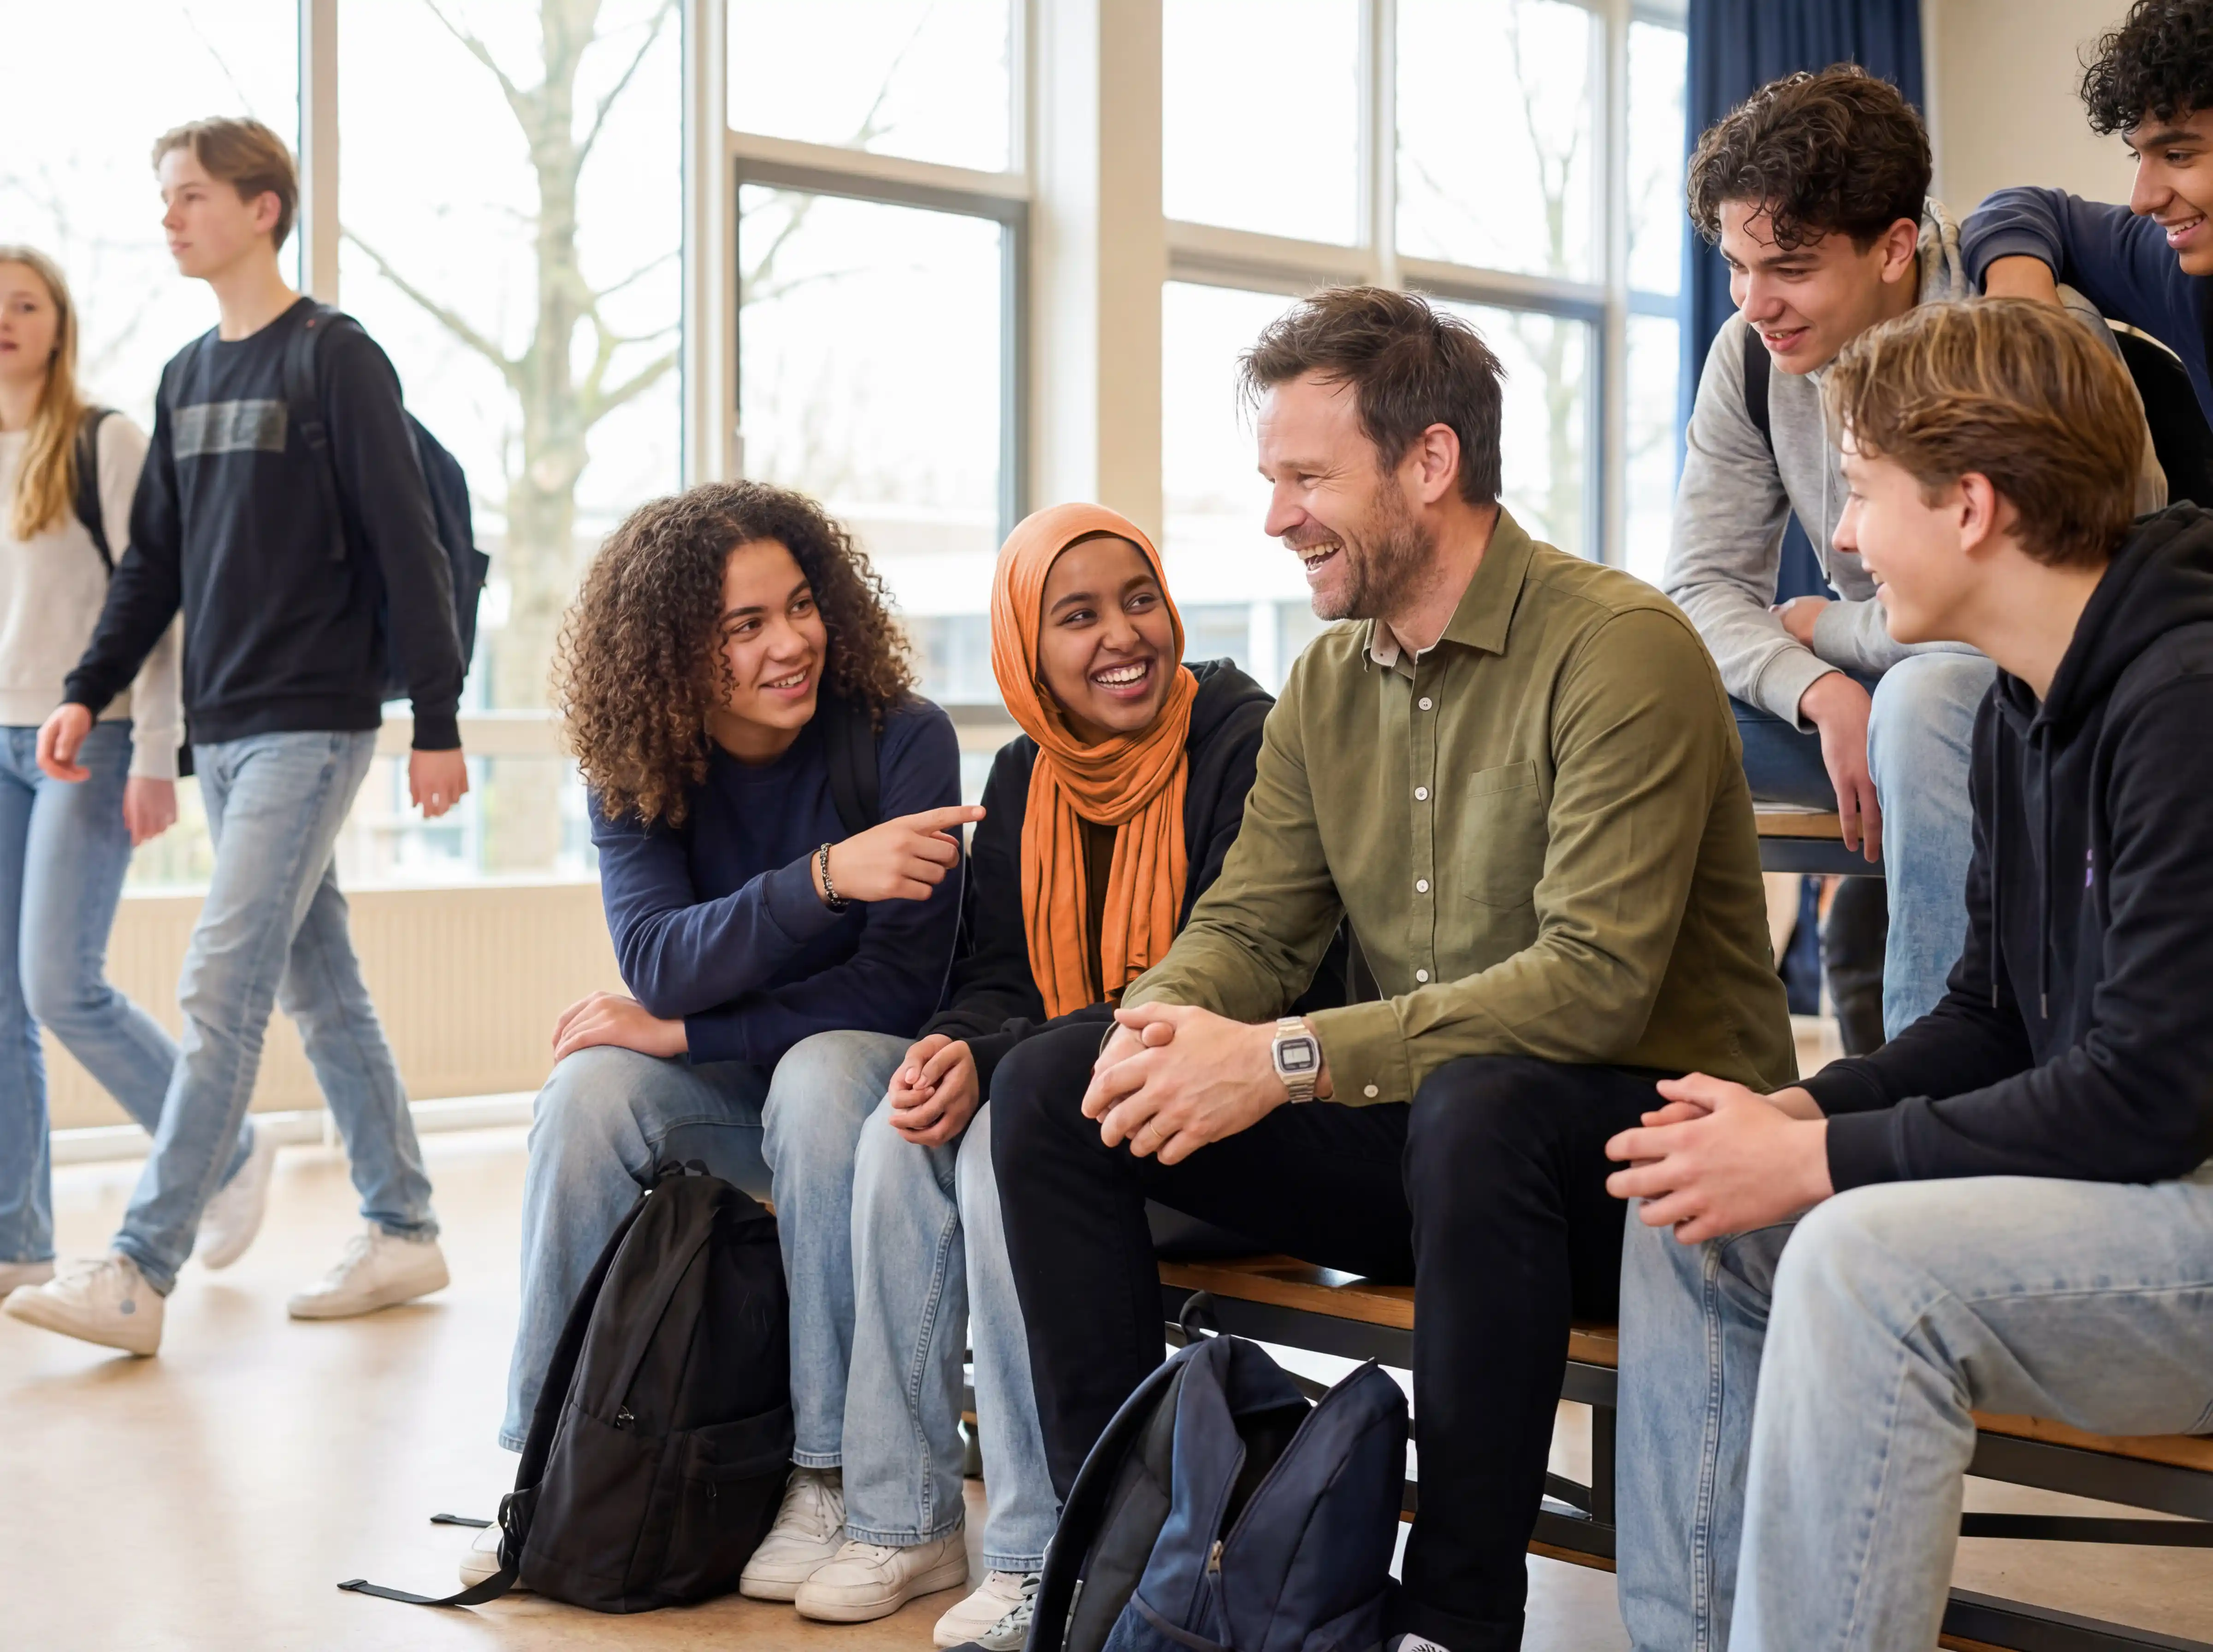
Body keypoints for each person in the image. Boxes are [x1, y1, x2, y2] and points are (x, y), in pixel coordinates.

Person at [992, 286, 1795, 1652]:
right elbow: (1251, 925)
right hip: (1434, 1156)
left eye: (1307, 478)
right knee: (1053, 1083)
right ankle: (1125, 1569)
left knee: (1481, 1106)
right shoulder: (1325, 685)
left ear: (1428, 464)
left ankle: (1453, 1622)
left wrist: (1286, 1057)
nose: (1276, 516)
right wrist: (1166, 1026)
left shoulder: (1620, 651)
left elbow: (1590, 986)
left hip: (1643, 1175)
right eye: (1271, 481)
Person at [1611, 299, 2213, 1652]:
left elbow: (2152, 1098)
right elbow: (1992, 1018)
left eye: (1865, 490)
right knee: (1691, 1202)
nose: (1838, 533)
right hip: (2142, 1200)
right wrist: (1790, 1123)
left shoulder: (2186, 694)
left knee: (1857, 1261)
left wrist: (1828, 1165)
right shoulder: (2017, 705)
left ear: (1971, 508)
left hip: (2190, 1207)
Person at [763, 504, 1299, 1648]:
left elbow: (1222, 975)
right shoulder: (1023, 774)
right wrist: (956, 1047)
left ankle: (1039, 1548)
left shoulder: (1241, 742)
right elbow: (997, 978)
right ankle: (899, 1519)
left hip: (1194, 1127)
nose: (1122, 636)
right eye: (1077, 616)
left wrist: (996, 1063)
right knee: (897, 1133)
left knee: (1010, 1155)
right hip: (1061, 1101)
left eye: (1138, 599)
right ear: (1027, 647)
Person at [2, 118, 467, 1355]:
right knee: (321, 984)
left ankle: (139, 1269)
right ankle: (406, 1222)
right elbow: (150, 567)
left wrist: (438, 718)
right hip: (232, 731)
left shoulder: (336, 360)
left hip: (319, 723)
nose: (170, 217)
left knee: (219, 983)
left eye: (192, 196)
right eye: (164, 198)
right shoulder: (186, 375)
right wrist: (87, 688)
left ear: (264, 209)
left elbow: (410, 550)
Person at [463, 480, 971, 1588]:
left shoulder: (901, 742)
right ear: (674, 651)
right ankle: (547, 1463)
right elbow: (654, 958)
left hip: (861, 1092)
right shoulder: (638, 762)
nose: (789, 644)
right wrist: (827, 881)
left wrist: (690, 1029)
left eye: (799, 606)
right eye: (745, 627)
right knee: (589, 1091)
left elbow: (894, 990)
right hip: (739, 1090)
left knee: (822, 1071)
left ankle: (824, 1476)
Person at [1667, 66, 2160, 1047]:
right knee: (1641, 704)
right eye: (1735, 265)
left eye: (1791, 269)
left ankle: (1927, 1102)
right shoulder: (1751, 353)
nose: (1754, 303)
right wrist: (1815, 686)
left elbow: (2086, 607)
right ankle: (1696, 1087)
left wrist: (1846, 637)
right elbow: (1702, 586)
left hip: (2014, 692)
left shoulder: (2025, 332)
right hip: (1862, 684)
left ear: (1897, 247)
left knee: (1928, 697)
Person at [0, 246, 241, 1295]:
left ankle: (220, 1150)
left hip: (84, 740)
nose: (5, 319)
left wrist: (154, 749)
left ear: (60, 324)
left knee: (60, 983)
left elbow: (161, 605)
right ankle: (19, 1245)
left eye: (25, 303)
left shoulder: (105, 441)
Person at [1967, 0, 2213, 431]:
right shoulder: (2185, 279)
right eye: (2138, 157)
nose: (2142, 200)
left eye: (2177, 155)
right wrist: (2023, 305)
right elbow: (2027, 210)